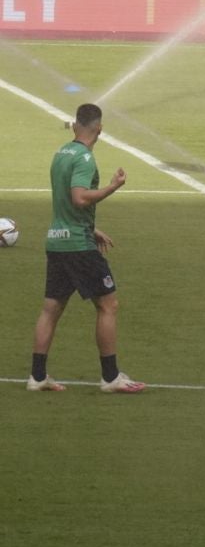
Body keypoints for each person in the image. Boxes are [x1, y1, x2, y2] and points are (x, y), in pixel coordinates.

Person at [28, 103, 144, 394]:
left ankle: (37, 377)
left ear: (76, 124)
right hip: (78, 247)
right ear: (100, 129)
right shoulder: (84, 158)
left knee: (51, 309)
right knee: (108, 305)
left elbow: (65, 202)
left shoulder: (61, 153)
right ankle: (110, 377)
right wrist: (112, 186)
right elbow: (79, 198)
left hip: (57, 240)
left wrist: (91, 228)